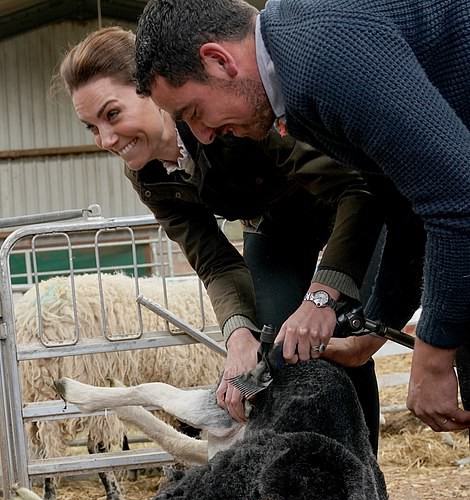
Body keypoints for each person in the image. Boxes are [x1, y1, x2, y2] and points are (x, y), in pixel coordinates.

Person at [134, 0, 470, 435]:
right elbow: (403, 207)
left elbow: (457, 199)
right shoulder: (295, 84)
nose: (202, 135)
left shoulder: (321, 59)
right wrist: (371, 333)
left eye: (194, 113)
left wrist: (434, 351)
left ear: (219, 60)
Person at [58, 26, 390, 450]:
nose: (105, 140)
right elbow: (214, 260)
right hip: (274, 226)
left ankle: (362, 475)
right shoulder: (147, 174)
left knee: (336, 332)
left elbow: (350, 187)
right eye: (91, 127)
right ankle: (306, 474)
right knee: (279, 348)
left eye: (112, 114)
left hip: (349, 204)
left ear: (149, 90)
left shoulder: (223, 114)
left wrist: (320, 298)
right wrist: (238, 338)